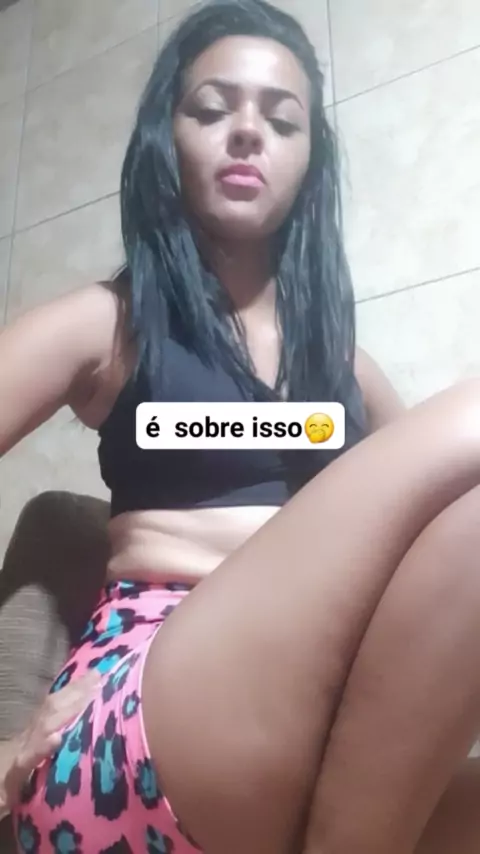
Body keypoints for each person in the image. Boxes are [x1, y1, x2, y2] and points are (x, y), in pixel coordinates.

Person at [1, 0, 480, 851]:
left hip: (323, 731)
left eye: (282, 120)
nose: (249, 132)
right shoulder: (110, 325)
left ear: (310, 161)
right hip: (136, 734)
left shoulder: (344, 369)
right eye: (213, 109)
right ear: (167, 141)